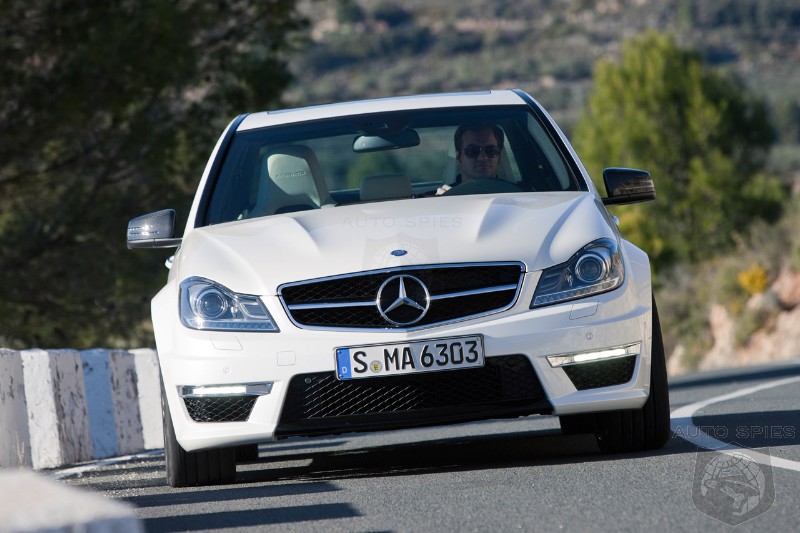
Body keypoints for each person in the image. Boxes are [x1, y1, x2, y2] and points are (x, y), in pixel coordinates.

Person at [437, 122, 504, 195]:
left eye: (490, 150)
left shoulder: (516, 194)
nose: (482, 157)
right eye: (473, 151)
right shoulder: (440, 199)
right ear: (458, 157)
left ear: (499, 156)